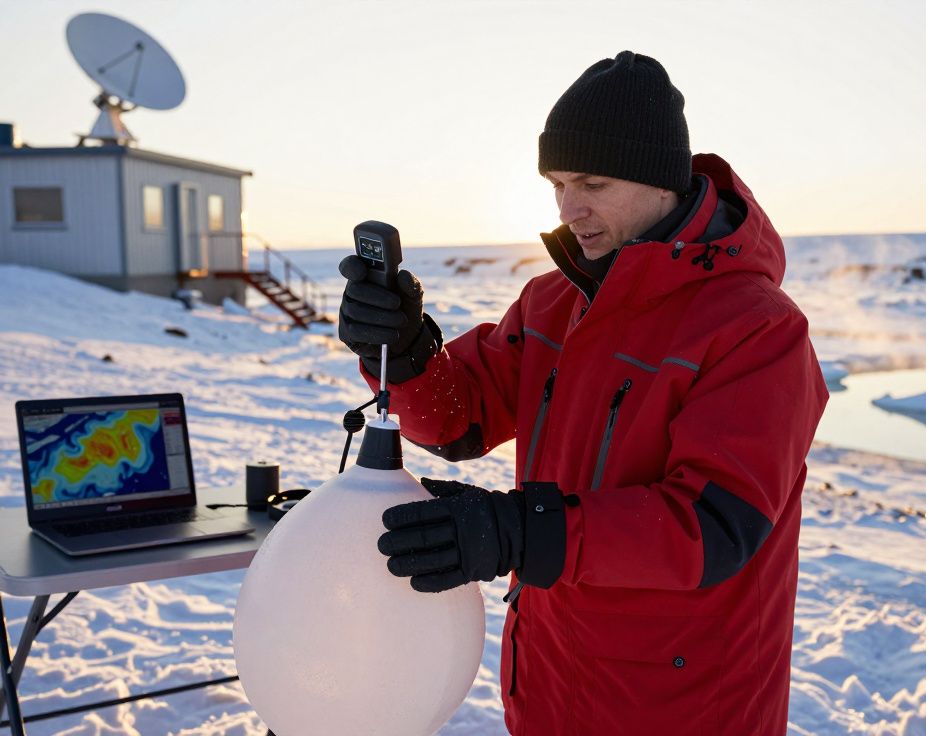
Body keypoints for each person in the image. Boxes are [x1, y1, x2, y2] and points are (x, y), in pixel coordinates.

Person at [338, 50, 828, 736]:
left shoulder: (756, 329)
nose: (572, 208)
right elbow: (457, 421)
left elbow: (711, 527)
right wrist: (402, 347)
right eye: (558, 183)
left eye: (593, 182)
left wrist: (517, 531)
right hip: (551, 690)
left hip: (684, 708)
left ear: (661, 182)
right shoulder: (552, 303)